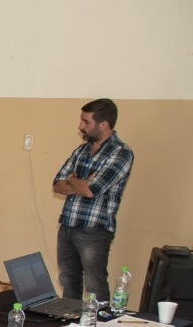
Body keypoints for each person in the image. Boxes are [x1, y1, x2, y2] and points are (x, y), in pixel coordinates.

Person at [52, 98, 135, 300]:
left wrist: (74, 181)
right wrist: (78, 182)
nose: (80, 126)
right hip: (68, 225)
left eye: (85, 121)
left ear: (103, 124)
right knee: (68, 282)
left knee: (95, 286)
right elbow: (57, 184)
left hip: (94, 230)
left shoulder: (121, 153)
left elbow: (91, 190)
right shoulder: (81, 151)